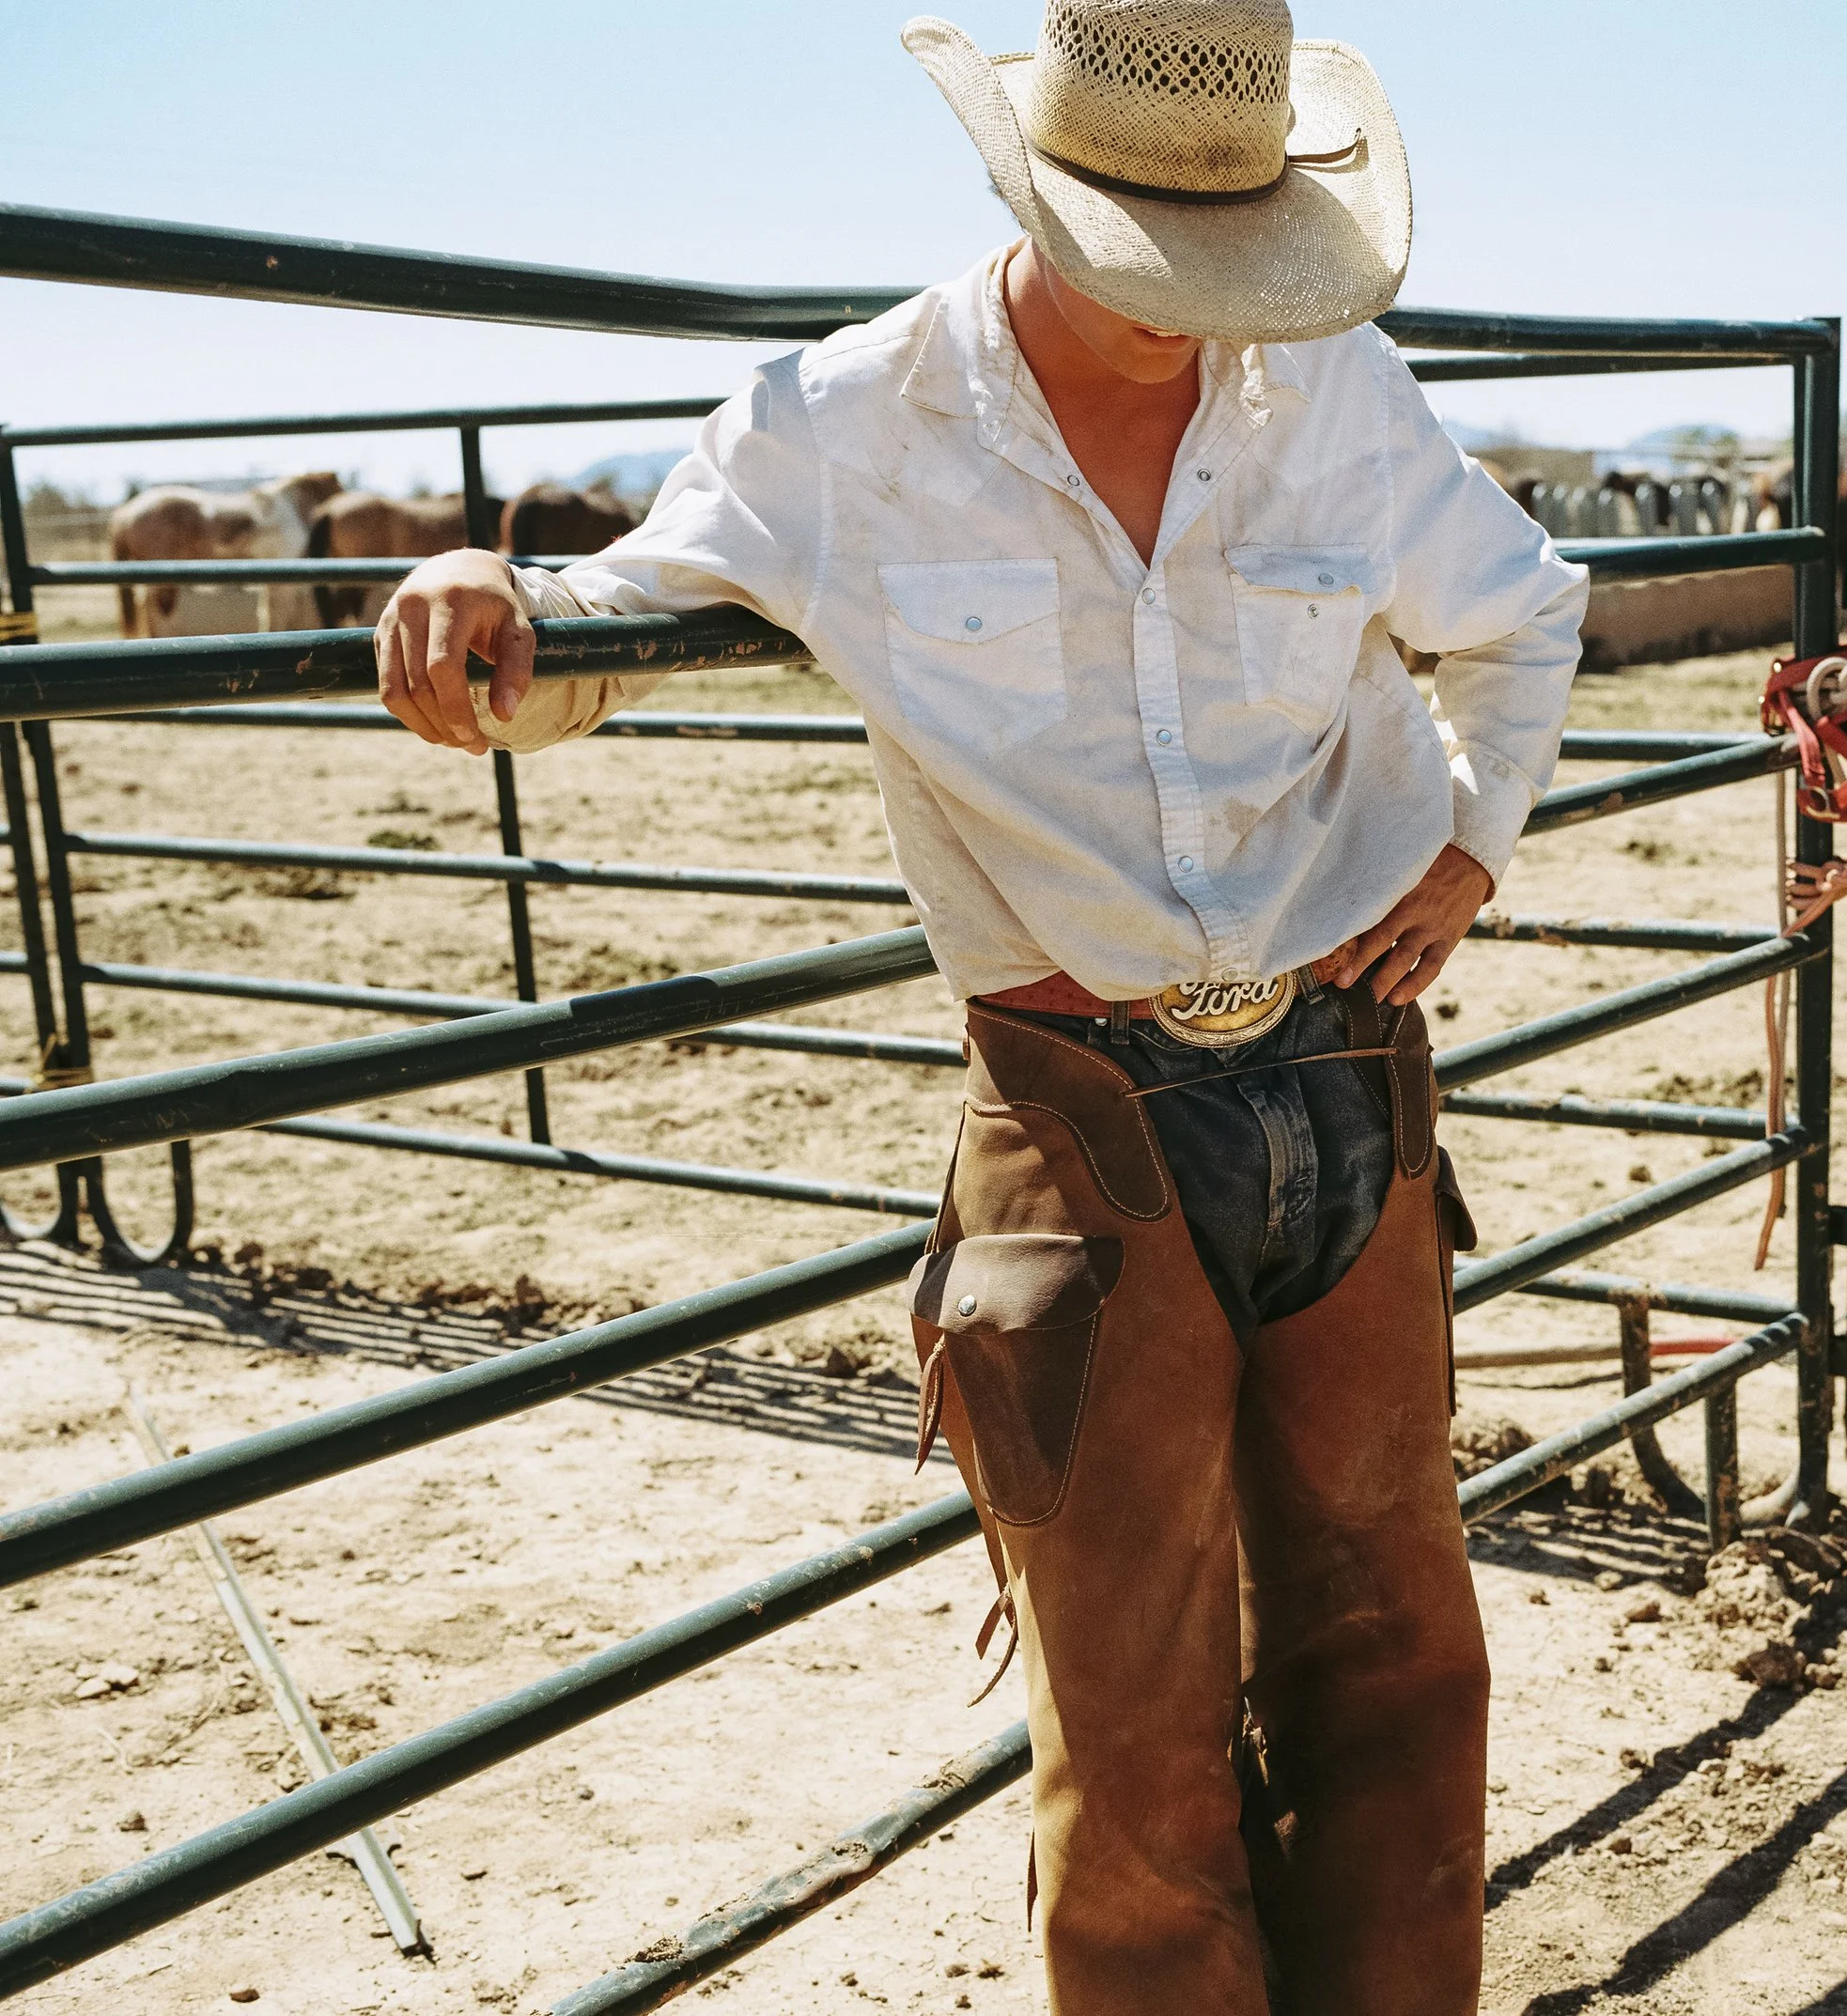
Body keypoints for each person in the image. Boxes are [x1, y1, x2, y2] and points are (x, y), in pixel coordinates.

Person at [375, 4, 1587, 2008]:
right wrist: (474, 591)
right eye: (1150, 265)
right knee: (1123, 1719)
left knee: (1400, 1642)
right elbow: (625, 611)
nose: (1199, 313)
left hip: (1347, 1070)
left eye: (1235, 261)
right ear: (1027, 192)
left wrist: (1467, 852)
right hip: (1076, 1104)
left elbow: (1519, 609)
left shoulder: (1332, 386)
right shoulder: (844, 421)